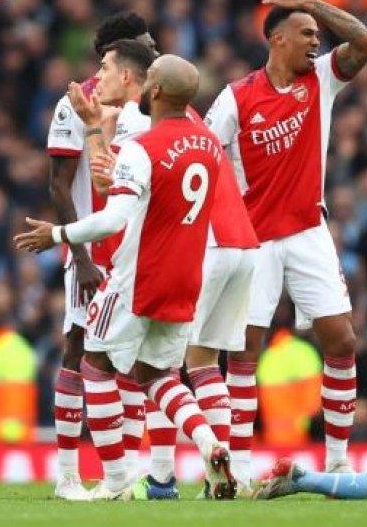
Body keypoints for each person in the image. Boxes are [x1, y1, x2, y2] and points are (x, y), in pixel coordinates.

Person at [15, 54, 237, 501]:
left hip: (137, 277)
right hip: (185, 280)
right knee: (159, 376)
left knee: (94, 364)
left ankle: (116, 480)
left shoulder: (143, 148)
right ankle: (209, 442)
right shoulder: (209, 145)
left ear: (154, 91)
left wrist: (56, 233)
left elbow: (113, 218)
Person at [205, 0, 367, 479]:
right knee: (243, 352)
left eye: (318, 36)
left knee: (342, 341)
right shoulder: (237, 97)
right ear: (278, 39)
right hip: (253, 241)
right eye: (307, 33)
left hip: (307, 231)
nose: (316, 41)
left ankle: (339, 463)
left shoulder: (320, 80)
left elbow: (366, 40)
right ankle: (236, 465)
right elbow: (207, 157)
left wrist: (311, 1)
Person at [81, 44, 260, 499]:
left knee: (137, 365)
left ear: (136, 81)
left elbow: (108, 184)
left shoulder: (145, 124)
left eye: (104, 68)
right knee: (201, 364)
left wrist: (93, 129)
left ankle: (157, 478)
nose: (97, 77)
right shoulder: (194, 123)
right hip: (241, 240)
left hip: (198, 248)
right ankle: (222, 465)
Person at [46, 13, 156, 500]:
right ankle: (68, 473)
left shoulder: (152, 103)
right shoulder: (76, 104)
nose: (154, 50)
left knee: (133, 356)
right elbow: (59, 184)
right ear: (116, 53)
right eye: (144, 44)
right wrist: (81, 255)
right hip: (95, 248)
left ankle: (127, 469)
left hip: (142, 249)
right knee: (78, 345)